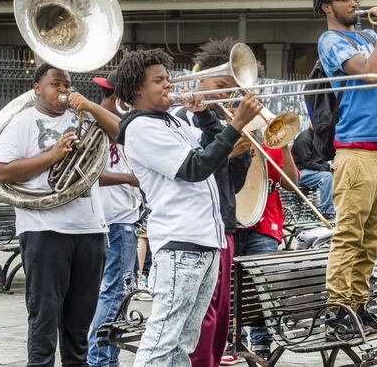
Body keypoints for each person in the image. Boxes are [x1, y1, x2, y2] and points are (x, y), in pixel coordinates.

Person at [113, 49, 261, 365]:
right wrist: (237, 123)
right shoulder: (142, 128)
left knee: (184, 341)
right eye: (159, 80)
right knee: (162, 339)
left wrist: (207, 114)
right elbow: (196, 167)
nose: (169, 85)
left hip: (204, 240)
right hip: (181, 242)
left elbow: (217, 146)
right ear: (138, 89)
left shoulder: (170, 123)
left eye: (168, 78)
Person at [0, 63, 120, 366]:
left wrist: (89, 105)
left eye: (67, 85)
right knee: (45, 318)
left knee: (80, 322)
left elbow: (122, 130)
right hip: (44, 229)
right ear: (37, 87)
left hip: (90, 228)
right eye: (56, 84)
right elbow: (3, 171)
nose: (63, 91)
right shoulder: (22, 122)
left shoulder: (84, 118)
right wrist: (54, 155)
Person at [313, 0, 377, 338]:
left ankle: (358, 305)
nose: (354, 3)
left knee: (373, 238)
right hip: (356, 151)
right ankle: (336, 312)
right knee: (349, 235)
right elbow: (369, 75)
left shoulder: (368, 37)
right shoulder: (330, 41)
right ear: (327, 6)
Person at [184, 38, 254, 367]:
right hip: (196, 229)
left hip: (224, 224)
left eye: (232, 90)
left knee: (222, 316)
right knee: (204, 316)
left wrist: (242, 156)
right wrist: (227, 146)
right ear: (202, 77)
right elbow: (196, 172)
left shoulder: (220, 123)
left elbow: (233, 185)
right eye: (223, 85)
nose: (226, 96)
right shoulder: (183, 118)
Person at [86, 71, 143, 367]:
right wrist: (130, 179)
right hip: (116, 220)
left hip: (124, 219)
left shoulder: (126, 126)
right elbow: (89, 173)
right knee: (114, 293)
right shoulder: (97, 127)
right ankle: (100, 358)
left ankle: (107, 356)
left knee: (120, 292)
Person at [232, 141, 298, 359]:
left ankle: (261, 345)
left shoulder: (269, 147)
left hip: (263, 225)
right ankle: (232, 342)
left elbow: (291, 183)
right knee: (230, 288)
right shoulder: (224, 139)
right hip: (230, 223)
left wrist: (284, 146)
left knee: (261, 289)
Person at [291, 125, 336, 217]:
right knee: (327, 177)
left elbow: (318, 159)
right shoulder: (304, 139)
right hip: (298, 173)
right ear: (311, 124)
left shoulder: (316, 137)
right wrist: (327, 168)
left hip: (307, 170)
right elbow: (307, 163)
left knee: (334, 173)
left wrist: (329, 166)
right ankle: (326, 211)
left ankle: (335, 208)